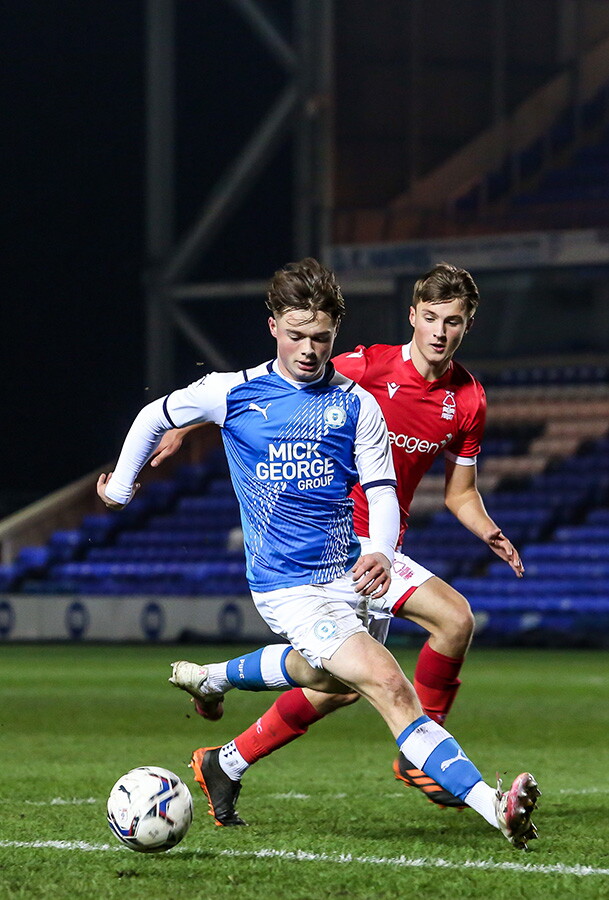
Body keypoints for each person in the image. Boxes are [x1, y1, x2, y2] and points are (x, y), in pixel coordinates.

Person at [98, 258, 539, 849]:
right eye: (298, 334)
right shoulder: (238, 391)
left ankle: (214, 699)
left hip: (354, 569)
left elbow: (383, 490)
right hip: (288, 584)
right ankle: (494, 806)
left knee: (328, 680)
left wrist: (383, 551)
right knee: (392, 678)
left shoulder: (360, 403)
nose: (309, 349)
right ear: (274, 325)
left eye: (322, 338)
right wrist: (123, 485)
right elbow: (156, 414)